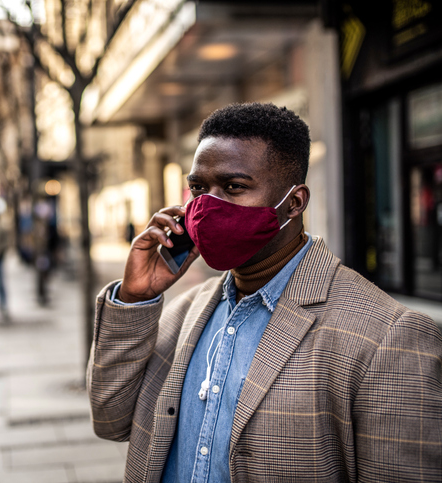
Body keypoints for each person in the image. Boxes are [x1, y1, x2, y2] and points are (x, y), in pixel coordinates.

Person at [87, 103, 442, 482]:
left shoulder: (390, 338)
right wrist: (136, 298)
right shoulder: (186, 310)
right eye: (198, 189)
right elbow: (110, 420)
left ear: (294, 202)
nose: (206, 206)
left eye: (234, 187)